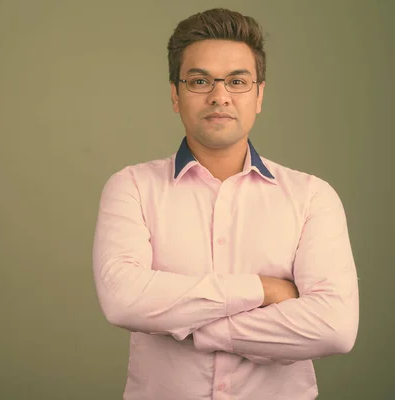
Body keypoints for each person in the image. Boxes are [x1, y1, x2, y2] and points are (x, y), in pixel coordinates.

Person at [92, 8, 359, 400]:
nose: (220, 96)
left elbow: (334, 327)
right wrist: (264, 290)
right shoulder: (130, 187)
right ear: (175, 94)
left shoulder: (312, 197)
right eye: (200, 81)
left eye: (237, 81)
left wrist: (199, 326)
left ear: (259, 95)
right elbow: (123, 300)